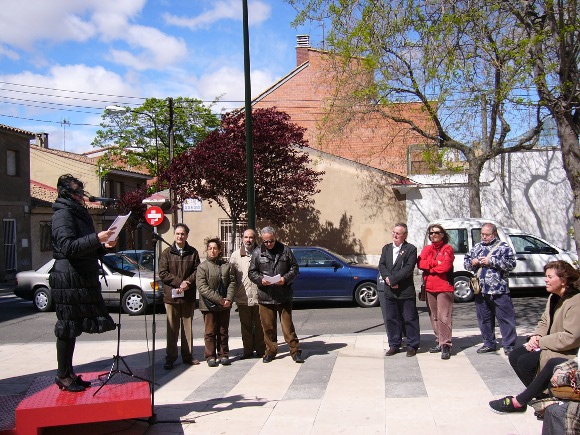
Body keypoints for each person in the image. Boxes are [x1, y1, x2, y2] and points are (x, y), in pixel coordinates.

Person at [49, 174, 117, 392]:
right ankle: (62, 374)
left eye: (82, 191)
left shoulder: (78, 213)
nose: (82, 196)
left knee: (74, 327)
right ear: (67, 193)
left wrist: (103, 246)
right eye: (78, 192)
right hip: (68, 278)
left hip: (81, 276)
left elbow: (84, 246)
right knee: (67, 327)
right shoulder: (63, 214)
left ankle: (69, 373)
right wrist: (97, 238)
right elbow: (68, 247)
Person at [508, 260, 580, 389]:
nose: (545, 280)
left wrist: (541, 342)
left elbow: (571, 338)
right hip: (549, 343)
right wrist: (536, 336)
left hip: (567, 350)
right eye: (545, 276)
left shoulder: (575, 301)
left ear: (563, 280)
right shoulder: (553, 297)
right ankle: (536, 394)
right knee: (514, 355)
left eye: (550, 277)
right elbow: (544, 321)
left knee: (525, 362)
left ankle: (541, 395)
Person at [248, 226, 303, 363]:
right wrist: (261, 280)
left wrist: (285, 279)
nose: (268, 244)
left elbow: (295, 268)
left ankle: (295, 351)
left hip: (283, 294)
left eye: (271, 241)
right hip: (265, 295)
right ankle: (271, 351)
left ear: (275, 237)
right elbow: (252, 272)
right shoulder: (257, 252)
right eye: (266, 242)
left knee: (288, 326)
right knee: (268, 327)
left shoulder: (285, 250)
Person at [464, 222, 517, 355]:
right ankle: (489, 343)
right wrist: (472, 262)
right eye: (482, 234)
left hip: (499, 290)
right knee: (484, 318)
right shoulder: (477, 247)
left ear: (494, 234)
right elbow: (466, 263)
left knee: (505, 318)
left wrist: (492, 262)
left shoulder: (503, 247)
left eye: (487, 234)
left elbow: (511, 264)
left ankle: (509, 345)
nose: (484, 237)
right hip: (481, 290)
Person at [158, 223, 201, 370]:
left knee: (187, 328)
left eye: (182, 234)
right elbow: (162, 273)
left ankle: (188, 356)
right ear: (174, 235)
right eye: (177, 233)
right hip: (172, 297)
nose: (180, 236)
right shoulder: (166, 253)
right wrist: (179, 282)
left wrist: (188, 282)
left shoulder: (193, 252)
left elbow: (197, 271)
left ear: (187, 235)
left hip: (187, 295)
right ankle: (170, 357)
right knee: (172, 329)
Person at [378, 223, 419, 357]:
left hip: (405, 290)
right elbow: (382, 265)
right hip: (390, 290)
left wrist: (394, 280)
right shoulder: (387, 248)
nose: (395, 235)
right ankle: (394, 344)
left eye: (398, 233)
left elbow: (408, 268)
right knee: (391, 318)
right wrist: (388, 279)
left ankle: (412, 345)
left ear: (405, 235)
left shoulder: (411, 249)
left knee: (409, 318)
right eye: (393, 232)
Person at [196, 237, 236, 367]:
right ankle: (210, 356)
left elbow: (232, 283)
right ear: (207, 250)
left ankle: (223, 354)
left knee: (223, 331)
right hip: (208, 305)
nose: (212, 251)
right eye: (210, 248)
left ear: (219, 250)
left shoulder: (226, 266)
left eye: (215, 248)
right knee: (210, 332)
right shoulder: (202, 267)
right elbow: (202, 287)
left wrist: (228, 299)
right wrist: (219, 299)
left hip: (225, 304)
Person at [417, 224, 455, 360]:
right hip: (429, 287)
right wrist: (435, 263)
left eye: (436, 233)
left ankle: (446, 345)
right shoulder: (427, 248)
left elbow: (445, 267)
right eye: (431, 233)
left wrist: (430, 266)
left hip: (444, 287)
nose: (433, 235)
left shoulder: (448, 249)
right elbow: (421, 264)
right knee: (434, 316)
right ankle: (439, 341)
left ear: (443, 234)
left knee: (444, 316)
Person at [230, 228, 265, 359]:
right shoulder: (235, 255)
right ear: (242, 238)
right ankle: (248, 351)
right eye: (246, 237)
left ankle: (261, 350)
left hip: (259, 296)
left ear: (255, 239)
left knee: (260, 326)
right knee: (246, 327)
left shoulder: (262, 253)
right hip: (242, 297)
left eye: (251, 237)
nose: (248, 240)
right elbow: (231, 277)